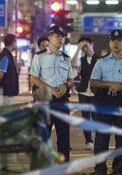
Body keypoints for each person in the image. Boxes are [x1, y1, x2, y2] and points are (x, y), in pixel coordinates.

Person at [90, 29, 122, 175]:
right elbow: (93, 81)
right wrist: (109, 84)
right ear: (110, 42)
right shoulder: (101, 61)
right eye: (113, 40)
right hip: (104, 101)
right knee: (101, 137)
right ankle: (100, 169)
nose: (116, 43)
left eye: (119, 41)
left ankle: (119, 169)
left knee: (121, 138)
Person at [29, 25, 76, 162]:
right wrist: (50, 89)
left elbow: (71, 79)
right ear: (50, 38)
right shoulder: (39, 57)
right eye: (57, 36)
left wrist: (66, 85)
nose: (60, 39)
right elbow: (33, 78)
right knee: (43, 136)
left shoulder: (66, 58)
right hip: (45, 101)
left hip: (62, 102)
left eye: (62, 36)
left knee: (64, 138)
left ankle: (63, 168)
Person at [71, 36, 98, 150]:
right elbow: (73, 65)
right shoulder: (81, 60)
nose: (85, 49)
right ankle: (89, 141)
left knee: (97, 118)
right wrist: (78, 49)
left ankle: (99, 140)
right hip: (83, 93)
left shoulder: (100, 59)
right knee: (86, 118)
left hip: (96, 93)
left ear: (92, 45)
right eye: (83, 48)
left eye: (86, 46)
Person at [0, 34, 19, 104]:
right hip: (6, 92)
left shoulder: (7, 55)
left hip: (8, 91)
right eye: (16, 42)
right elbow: (1, 73)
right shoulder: (5, 56)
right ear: (13, 43)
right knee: (6, 112)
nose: (16, 44)